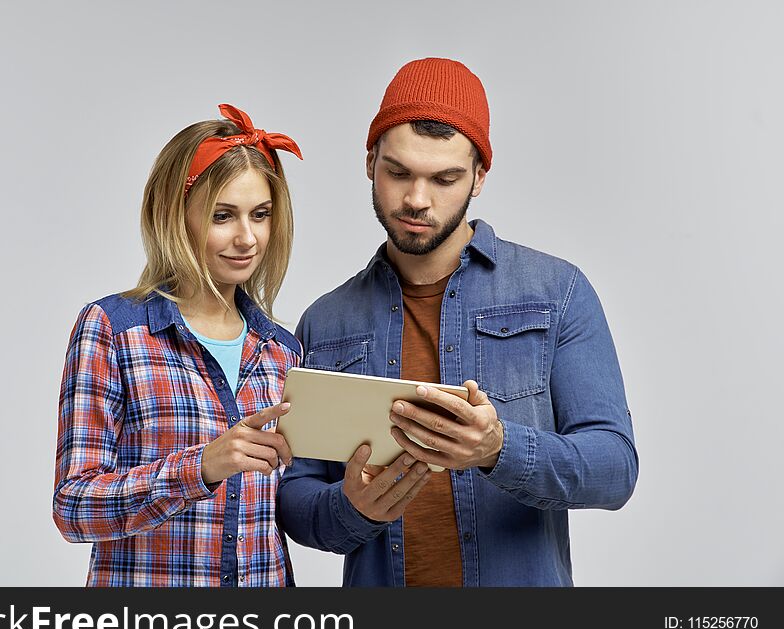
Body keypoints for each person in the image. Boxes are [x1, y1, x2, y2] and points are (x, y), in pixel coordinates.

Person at [277, 58, 638, 586]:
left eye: (444, 178)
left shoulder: (556, 291)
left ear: (479, 176)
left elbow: (615, 468)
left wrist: (498, 449)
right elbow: (294, 499)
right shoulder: (325, 321)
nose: (416, 200)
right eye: (398, 172)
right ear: (370, 162)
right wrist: (350, 508)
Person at [54, 104, 303, 586]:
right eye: (222, 215)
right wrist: (201, 467)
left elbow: (278, 522)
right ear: (176, 214)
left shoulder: (282, 353)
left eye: (261, 215)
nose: (246, 238)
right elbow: (73, 507)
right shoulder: (112, 329)